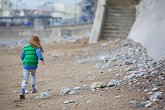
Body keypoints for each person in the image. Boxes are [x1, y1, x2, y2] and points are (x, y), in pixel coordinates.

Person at [20, 34, 45, 99]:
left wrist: (25, 61)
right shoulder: (37, 48)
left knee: (25, 79)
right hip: (33, 65)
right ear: (37, 40)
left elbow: (22, 56)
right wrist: (42, 59)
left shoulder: (25, 47)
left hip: (26, 65)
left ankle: (22, 91)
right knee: (33, 75)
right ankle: (33, 89)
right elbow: (39, 55)